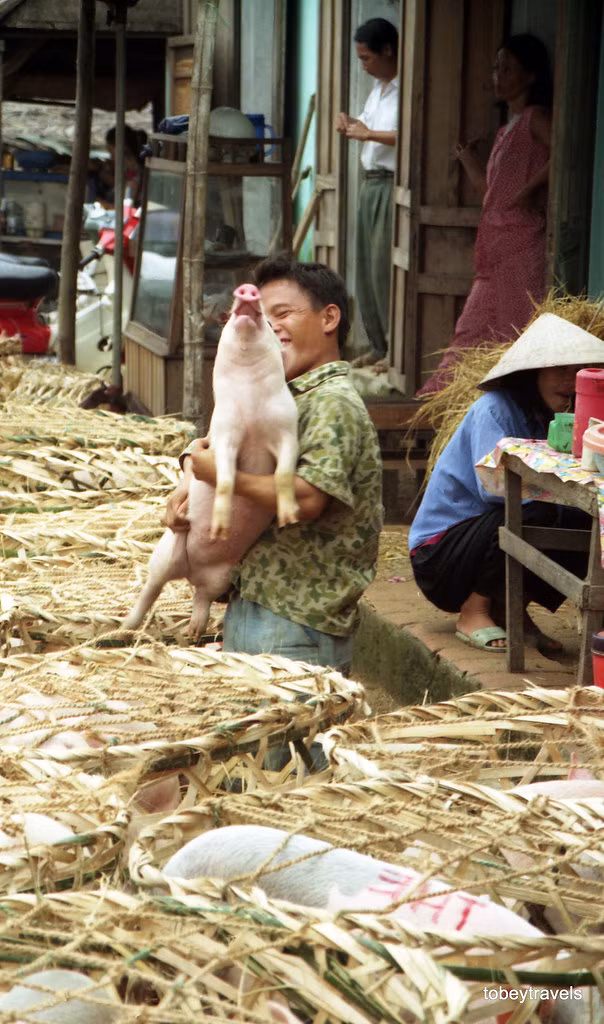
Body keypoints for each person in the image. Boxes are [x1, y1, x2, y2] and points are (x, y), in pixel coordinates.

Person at [164, 255, 383, 674]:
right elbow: (217, 442)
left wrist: (220, 477)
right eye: (263, 317)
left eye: (284, 313)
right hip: (260, 604)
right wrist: (191, 476)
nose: (271, 326)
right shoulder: (284, 395)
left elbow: (306, 498)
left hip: (297, 620)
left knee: (290, 741)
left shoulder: (331, 402)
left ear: (329, 318)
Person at [408, 313, 604, 652]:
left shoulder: (551, 417)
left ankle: (510, 607)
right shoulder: (494, 410)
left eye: (575, 372)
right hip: (439, 556)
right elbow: (496, 489)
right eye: (559, 370)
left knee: (584, 523)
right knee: (532, 512)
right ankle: (474, 610)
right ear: (533, 373)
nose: (568, 382)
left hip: (480, 541)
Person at [417, 34, 552, 396]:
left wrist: (530, 189)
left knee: (515, 332)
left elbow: (566, 155)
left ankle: (510, 410)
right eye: (496, 67)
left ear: (531, 75)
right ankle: (438, 405)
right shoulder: (506, 130)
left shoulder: (536, 119)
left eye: (508, 68)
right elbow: (490, 194)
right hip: (494, 248)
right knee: (471, 332)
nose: (498, 75)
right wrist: (466, 158)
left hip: (524, 243)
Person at [336, 18, 398, 367]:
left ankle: (392, 350)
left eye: (366, 58)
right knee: (365, 266)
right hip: (369, 181)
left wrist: (369, 134)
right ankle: (376, 346)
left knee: (382, 267)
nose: (363, 65)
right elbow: (366, 126)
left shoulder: (406, 89)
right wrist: (348, 124)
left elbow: (407, 133)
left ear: (388, 50)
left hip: (390, 184)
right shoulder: (379, 88)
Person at [95, 124, 148, 208]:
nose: (110, 157)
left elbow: (125, 209)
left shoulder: (134, 174)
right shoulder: (129, 169)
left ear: (122, 148)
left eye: (111, 152)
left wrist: (102, 204)